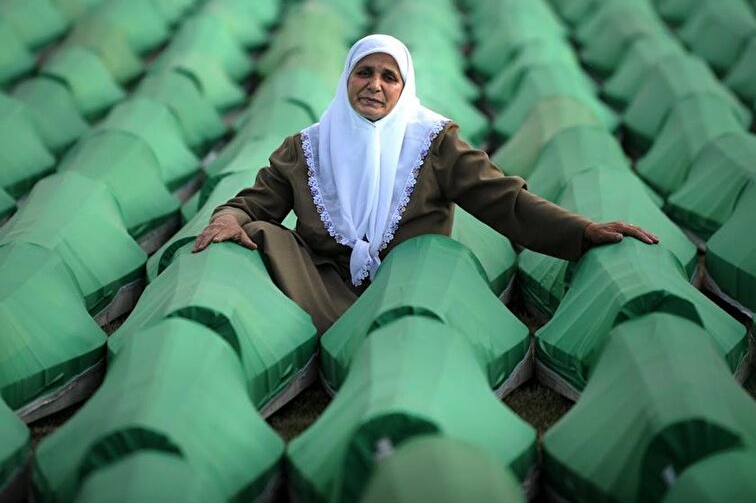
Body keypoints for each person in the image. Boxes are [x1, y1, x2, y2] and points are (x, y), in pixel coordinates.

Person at [193, 35, 659, 334]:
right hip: (321, 281)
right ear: (346, 79)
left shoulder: (433, 143)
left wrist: (581, 231)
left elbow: (505, 201)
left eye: (388, 76)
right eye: (364, 72)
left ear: (403, 87)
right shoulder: (307, 147)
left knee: (429, 274)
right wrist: (227, 218)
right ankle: (317, 328)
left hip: (408, 282)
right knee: (256, 234)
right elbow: (254, 203)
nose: (374, 85)